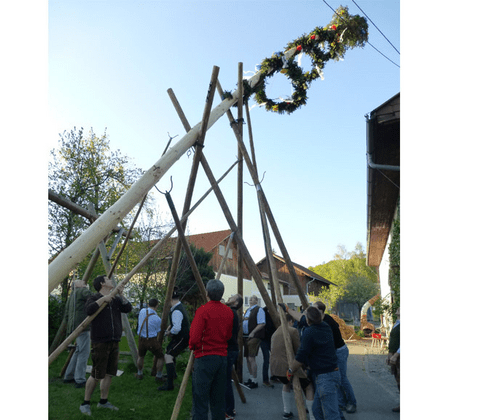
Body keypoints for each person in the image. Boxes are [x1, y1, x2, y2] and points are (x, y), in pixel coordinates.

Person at [79, 275, 132, 416]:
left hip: (114, 340)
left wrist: (121, 295)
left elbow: (128, 308)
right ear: (102, 283)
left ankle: (103, 401)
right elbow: (88, 310)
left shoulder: (115, 299)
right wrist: (103, 299)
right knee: (97, 374)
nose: (111, 280)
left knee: (109, 373)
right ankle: (85, 403)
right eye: (108, 279)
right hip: (100, 341)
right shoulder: (94, 297)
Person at [288, 306, 345, 420]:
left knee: (331, 415)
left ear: (308, 320)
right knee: (317, 410)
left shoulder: (309, 332)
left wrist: (290, 370)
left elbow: (301, 356)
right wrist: (287, 309)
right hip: (329, 375)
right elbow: (302, 318)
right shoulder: (325, 325)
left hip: (326, 377)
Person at [189, 279, 234, 420]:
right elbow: (228, 335)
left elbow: (194, 337)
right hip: (222, 358)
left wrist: (193, 347)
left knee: (200, 398)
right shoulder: (228, 311)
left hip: (205, 357)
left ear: (207, 293)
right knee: (218, 399)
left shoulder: (203, 311)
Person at [314, 301, 357, 414]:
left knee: (342, 378)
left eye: (315, 309)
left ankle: (352, 402)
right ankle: (341, 403)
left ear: (320, 311)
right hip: (334, 352)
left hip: (339, 351)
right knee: (336, 378)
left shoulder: (327, 322)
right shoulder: (322, 320)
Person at [271, 313, 315, 420]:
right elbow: (299, 350)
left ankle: (287, 411)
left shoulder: (276, 332)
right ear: (290, 321)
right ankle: (313, 415)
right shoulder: (292, 331)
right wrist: (306, 365)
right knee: (309, 386)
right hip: (288, 367)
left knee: (286, 384)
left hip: (276, 368)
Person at [158, 287, 191, 391]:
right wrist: (169, 327)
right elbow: (175, 323)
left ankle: (170, 384)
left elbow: (176, 328)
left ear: (170, 300)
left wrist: (169, 333)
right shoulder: (178, 307)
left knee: (168, 356)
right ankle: (173, 374)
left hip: (182, 338)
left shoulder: (176, 311)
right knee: (169, 350)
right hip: (181, 336)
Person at [63, 279, 92, 388]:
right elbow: (92, 297)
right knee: (84, 352)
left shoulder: (72, 296)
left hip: (74, 326)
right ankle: (80, 379)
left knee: (78, 351)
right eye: (80, 281)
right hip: (82, 326)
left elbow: (66, 313)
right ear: (76, 285)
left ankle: (69, 375)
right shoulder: (81, 291)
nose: (83, 282)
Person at [135, 298, 165, 382]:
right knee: (161, 357)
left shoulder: (142, 311)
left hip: (141, 339)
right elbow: (158, 331)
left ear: (148, 305)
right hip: (151, 340)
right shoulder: (157, 319)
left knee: (141, 356)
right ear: (157, 306)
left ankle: (139, 373)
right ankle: (158, 376)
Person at [225, 294, 243, 420]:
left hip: (229, 350)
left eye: (232, 297)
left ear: (236, 303)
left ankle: (229, 411)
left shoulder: (231, 313)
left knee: (225, 381)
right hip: (231, 349)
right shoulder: (232, 312)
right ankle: (230, 409)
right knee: (226, 380)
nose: (229, 297)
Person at [242, 295, 265, 388]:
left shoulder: (259, 310)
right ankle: (251, 378)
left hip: (254, 336)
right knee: (247, 358)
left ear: (256, 301)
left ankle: (254, 380)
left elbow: (262, 323)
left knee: (251, 358)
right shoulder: (248, 310)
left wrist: (253, 332)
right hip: (246, 336)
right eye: (250, 299)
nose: (250, 300)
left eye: (252, 299)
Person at [387, 307, 400, 413]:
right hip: (394, 354)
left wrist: (395, 355)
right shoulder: (397, 323)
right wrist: (389, 354)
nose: (398, 309)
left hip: (399, 355)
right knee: (398, 379)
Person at [260, 305, 277, 388]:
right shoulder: (265, 313)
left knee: (274, 359)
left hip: (271, 339)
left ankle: (273, 376)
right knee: (267, 359)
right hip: (265, 339)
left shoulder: (273, 315)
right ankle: (265, 380)